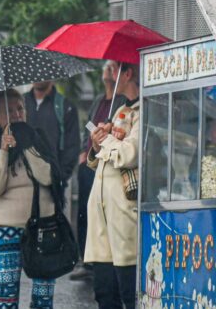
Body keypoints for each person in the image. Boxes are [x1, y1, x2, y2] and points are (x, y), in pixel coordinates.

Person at [0, 89, 65, 309]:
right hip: (8, 226)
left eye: (20, 108)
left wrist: (27, 146)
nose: (17, 114)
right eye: (9, 111)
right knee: (7, 295)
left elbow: (49, 177)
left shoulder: (38, 137)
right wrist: (4, 152)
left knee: (43, 295)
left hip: (43, 224)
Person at [86, 62, 140, 309]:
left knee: (128, 293)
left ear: (128, 73)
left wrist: (106, 141)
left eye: (116, 69)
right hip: (101, 213)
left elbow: (130, 153)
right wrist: (97, 145)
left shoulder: (143, 112)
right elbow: (102, 158)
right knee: (104, 293)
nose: (111, 76)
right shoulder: (119, 110)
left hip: (122, 213)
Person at [70, 61, 125, 282]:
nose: (107, 70)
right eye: (106, 67)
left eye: (111, 67)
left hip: (108, 163)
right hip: (90, 161)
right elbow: (88, 125)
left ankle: (103, 259)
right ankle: (85, 257)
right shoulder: (98, 101)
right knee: (85, 209)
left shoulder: (120, 102)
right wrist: (85, 150)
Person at [24, 81, 80, 183]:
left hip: (52, 180)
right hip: (22, 178)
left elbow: (72, 146)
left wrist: (60, 177)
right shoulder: (19, 103)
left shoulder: (65, 106)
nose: (38, 73)